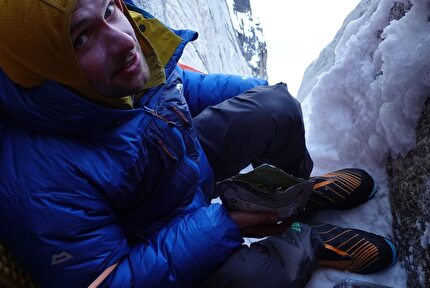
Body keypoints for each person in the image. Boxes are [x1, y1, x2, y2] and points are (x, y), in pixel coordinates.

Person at [0, 0, 397, 287]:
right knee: (258, 279)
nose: (122, 41)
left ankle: (295, 198)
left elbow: (179, 88)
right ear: (46, 67)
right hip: (153, 238)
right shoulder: (37, 181)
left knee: (276, 108)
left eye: (108, 11)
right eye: (82, 39)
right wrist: (222, 223)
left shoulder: (119, 60)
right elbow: (111, 280)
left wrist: (263, 95)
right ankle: (306, 241)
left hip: (176, 163)